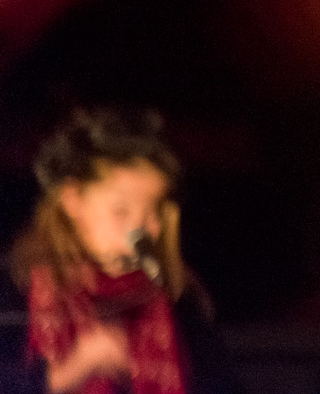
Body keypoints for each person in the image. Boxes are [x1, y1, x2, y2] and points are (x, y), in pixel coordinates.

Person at [10, 110, 232, 394]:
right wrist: (68, 373)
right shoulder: (17, 288)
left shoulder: (178, 296)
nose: (139, 233)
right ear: (73, 200)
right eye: (121, 211)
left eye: (153, 212)